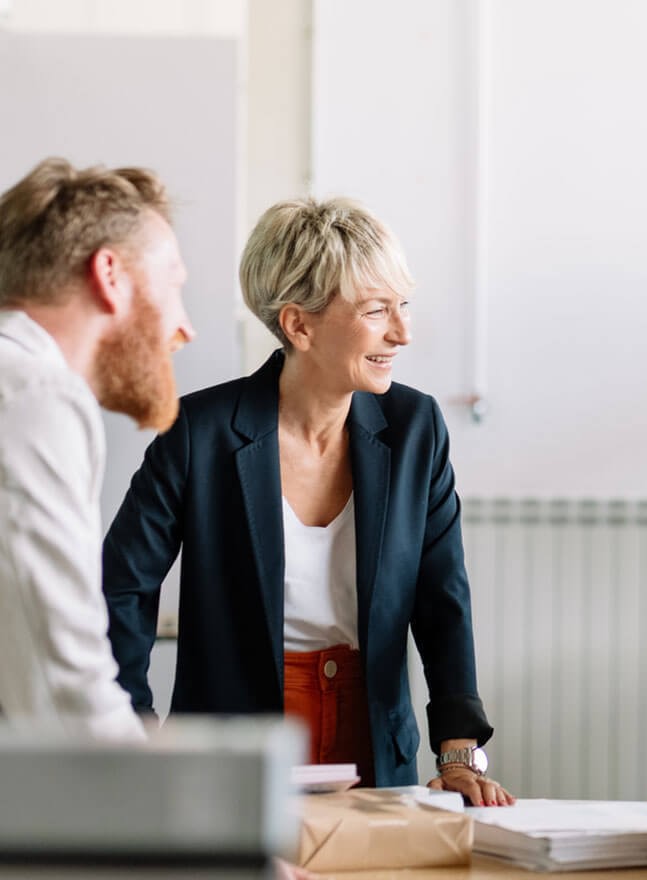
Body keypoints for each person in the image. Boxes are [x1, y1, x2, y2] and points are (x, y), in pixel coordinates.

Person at [102, 197, 512, 806]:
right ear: (299, 324)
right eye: (377, 311)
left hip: (374, 738)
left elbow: (442, 595)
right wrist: (132, 728)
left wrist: (457, 750)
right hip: (234, 748)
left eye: (403, 306)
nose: (402, 332)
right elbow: (123, 588)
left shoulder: (415, 425)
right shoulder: (199, 431)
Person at [0, 157, 194, 740]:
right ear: (109, 275)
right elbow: (63, 678)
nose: (185, 328)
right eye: (174, 288)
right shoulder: (35, 394)